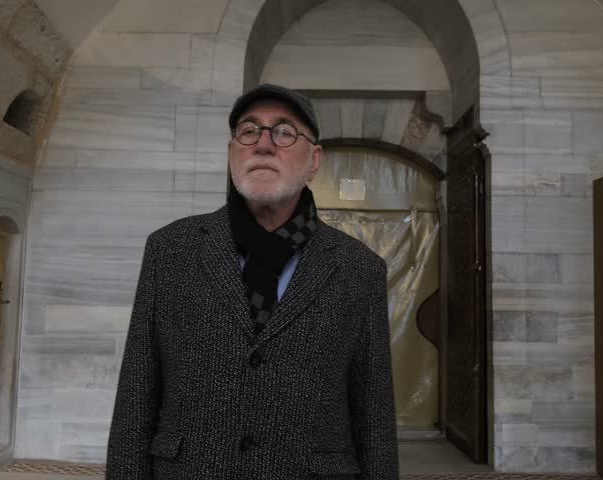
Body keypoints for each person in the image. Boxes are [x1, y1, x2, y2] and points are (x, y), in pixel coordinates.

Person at [105, 84, 398, 480]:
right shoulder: (170, 251)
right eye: (249, 130)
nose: (263, 144)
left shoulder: (359, 269)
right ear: (231, 154)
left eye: (283, 131)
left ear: (314, 160)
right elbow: (136, 398)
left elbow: (374, 418)